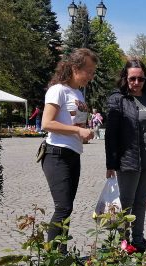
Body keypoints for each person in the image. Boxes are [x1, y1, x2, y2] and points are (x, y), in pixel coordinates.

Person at [105, 58, 146, 252]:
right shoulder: (118, 99)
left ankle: (138, 239)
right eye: (132, 79)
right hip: (128, 158)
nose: (136, 83)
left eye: (141, 79)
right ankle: (124, 242)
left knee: (141, 201)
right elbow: (111, 133)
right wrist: (111, 163)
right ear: (125, 78)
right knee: (126, 203)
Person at [41, 48, 96, 249]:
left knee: (67, 208)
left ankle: (61, 257)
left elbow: (74, 124)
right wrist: (76, 131)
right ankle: (52, 262)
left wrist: (83, 132)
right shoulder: (58, 90)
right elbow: (46, 123)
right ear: (74, 67)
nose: (91, 76)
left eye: (93, 72)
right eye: (88, 71)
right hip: (56, 154)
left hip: (73, 154)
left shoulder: (78, 93)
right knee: (62, 207)